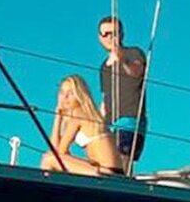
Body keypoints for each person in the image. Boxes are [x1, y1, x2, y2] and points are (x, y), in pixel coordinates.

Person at [40, 75, 125, 176]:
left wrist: (58, 117)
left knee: (49, 160)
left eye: (70, 93)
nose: (65, 97)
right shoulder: (80, 114)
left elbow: (59, 153)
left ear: (79, 95)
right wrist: (58, 117)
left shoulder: (79, 113)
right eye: (62, 92)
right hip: (105, 169)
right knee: (49, 157)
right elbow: (54, 148)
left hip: (107, 171)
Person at [97, 16, 147, 163]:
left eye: (114, 33)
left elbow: (136, 72)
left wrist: (122, 58)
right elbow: (104, 99)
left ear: (122, 35)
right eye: (105, 34)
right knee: (107, 164)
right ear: (99, 37)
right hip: (109, 125)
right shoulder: (103, 68)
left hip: (129, 122)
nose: (110, 38)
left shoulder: (133, 53)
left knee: (122, 163)